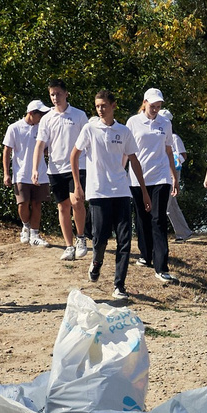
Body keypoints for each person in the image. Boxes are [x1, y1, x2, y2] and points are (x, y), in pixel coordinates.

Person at [71, 89, 147, 302]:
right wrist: (78, 185)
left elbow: (134, 160)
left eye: (104, 105)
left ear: (113, 106)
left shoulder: (123, 131)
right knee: (100, 238)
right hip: (98, 192)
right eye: (97, 106)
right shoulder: (89, 129)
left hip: (121, 192)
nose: (100, 109)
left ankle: (119, 285)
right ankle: (96, 262)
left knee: (125, 240)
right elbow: (74, 156)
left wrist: (143, 191)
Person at [130, 86, 182, 284]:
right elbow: (127, 152)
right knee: (142, 218)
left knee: (158, 219)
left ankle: (162, 267)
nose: (155, 110)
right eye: (152, 106)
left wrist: (174, 176)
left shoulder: (165, 123)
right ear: (144, 103)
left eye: (158, 106)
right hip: (138, 178)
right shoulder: (133, 122)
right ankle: (145, 255)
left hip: (161, 178)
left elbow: (169, 151)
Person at [37, 81, 89, 262]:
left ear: (66, 94)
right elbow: (40, 144)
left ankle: (81, 238)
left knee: (77, 202)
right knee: (62, 206)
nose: (55, 97)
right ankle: (69, 246)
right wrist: (36, 168)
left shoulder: (79, 115)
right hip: (55, 168)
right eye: (52, 94)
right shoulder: (46, 118)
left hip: (78, 165)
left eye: (58, 94)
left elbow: (89, 140)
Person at [3, 99, 51, 246]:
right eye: (40, 114)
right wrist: (6, 173)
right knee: (23, 203)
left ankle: (35, 234)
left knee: (37, 204)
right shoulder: (14, 128)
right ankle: (26, 226)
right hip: (21, 173)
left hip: (41, 173)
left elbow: (47, 149)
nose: (42, 117)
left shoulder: (43, 128)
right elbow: (7, 150)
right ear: (31, 113)